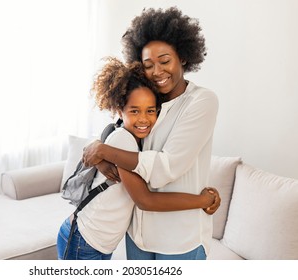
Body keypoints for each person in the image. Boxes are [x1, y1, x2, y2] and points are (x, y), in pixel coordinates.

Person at [82, 7, 220, 260]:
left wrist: (105, 151)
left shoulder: (202, 101)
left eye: (165, 61)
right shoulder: (148, 103)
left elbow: (166, 167)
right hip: (139, 233)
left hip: (181, 238)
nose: (157, 71)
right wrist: (102, 154)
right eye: (148, 65)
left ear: (184, 58)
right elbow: (118, 130)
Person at [57, 57, 219, 260]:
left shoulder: (134, 139)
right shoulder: (123, 140)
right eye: (134, 111)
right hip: (84, 240)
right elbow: (145, 200)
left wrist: (101, 153)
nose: (143, 119)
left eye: (150, 111)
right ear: (119, 111)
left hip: (97, 242)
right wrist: (204, 200)